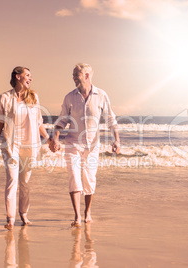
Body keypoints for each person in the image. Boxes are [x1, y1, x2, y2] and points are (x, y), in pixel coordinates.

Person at [50, 63, 120, 227]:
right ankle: (77, 216)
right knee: (74, 176)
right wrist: (56, 138)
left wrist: (116, 139)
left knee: (89, 179)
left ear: (87, 75)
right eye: (73, 75)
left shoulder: (101, 95)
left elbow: (111, 119)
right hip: (73, 143)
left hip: (92, 146)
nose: (73, 77)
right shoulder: (70, 97)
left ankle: (87, 212)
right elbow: (62, 120)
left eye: (76, 74)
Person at [0, 66, 51, 230]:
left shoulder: (34, 97)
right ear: (18, 77)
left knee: (25, 182)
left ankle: (23, 213)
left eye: (31, 76)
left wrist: (49, 138)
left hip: (30, 145)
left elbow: (39, 123)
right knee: (12, 181)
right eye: (27, 75)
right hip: (11, 145)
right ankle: (10, 218)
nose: (30, 79)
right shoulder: (4, 98)